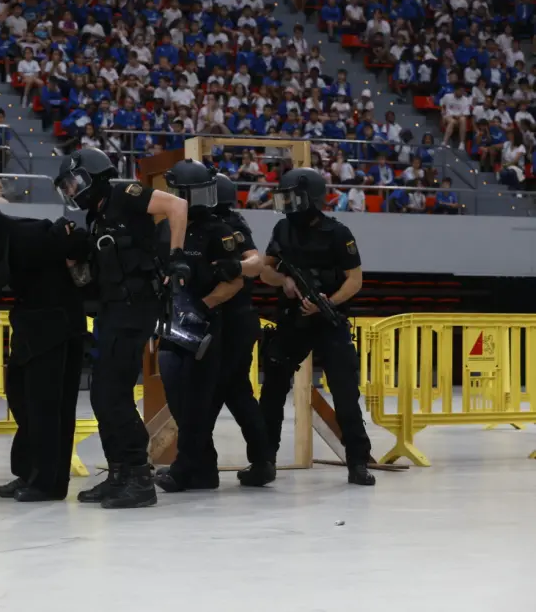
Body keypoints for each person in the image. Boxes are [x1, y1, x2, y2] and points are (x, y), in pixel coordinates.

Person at [54, 148, 190, 509]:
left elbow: (177, 207)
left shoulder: (124, 195)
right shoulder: (95, 217)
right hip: (112, 311)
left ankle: (138, 478)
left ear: (91, 175)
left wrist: (176, 257)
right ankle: (118, 474)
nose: (70, 191)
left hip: (135, 309)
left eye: (72, 182)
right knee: (102, 394)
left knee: (112, 394)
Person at [0, 196, 89, 502]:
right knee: (22, 400)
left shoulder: (30, 234)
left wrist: (68, 248)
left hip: (57, 328)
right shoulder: (5, 246)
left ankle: (48, 483)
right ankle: (28, 472)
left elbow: (76, 243)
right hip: (31, 329)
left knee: (48, 409)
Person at [257, 168, 375, 486]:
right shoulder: (282, 229)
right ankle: (264, 460)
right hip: (293, 320)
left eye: (293, 197)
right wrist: (285, 281)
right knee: (272, 390)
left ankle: (358, 461)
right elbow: (265, 272)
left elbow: (355, 280)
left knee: (345, 391)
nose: (287, 204)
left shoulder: (337, 232)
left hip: (328, 320)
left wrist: (329, 302)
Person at [152, 161, 245, 494]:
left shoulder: (220, 232)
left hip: (204, 327)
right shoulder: (164, 228)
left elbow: (235, 282)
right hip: (169, 325)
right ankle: (204, 471)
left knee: (198, 404)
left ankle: (182, 470)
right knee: (178, 402)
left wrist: (203, 306)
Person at [212, 173, 276, 487]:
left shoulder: (222, 226)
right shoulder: (237, 223)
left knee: (218, 393)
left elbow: (255, 263)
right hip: (239, 319)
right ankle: (262, 461)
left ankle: (199, 463)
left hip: (227, 320)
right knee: (238, 394)